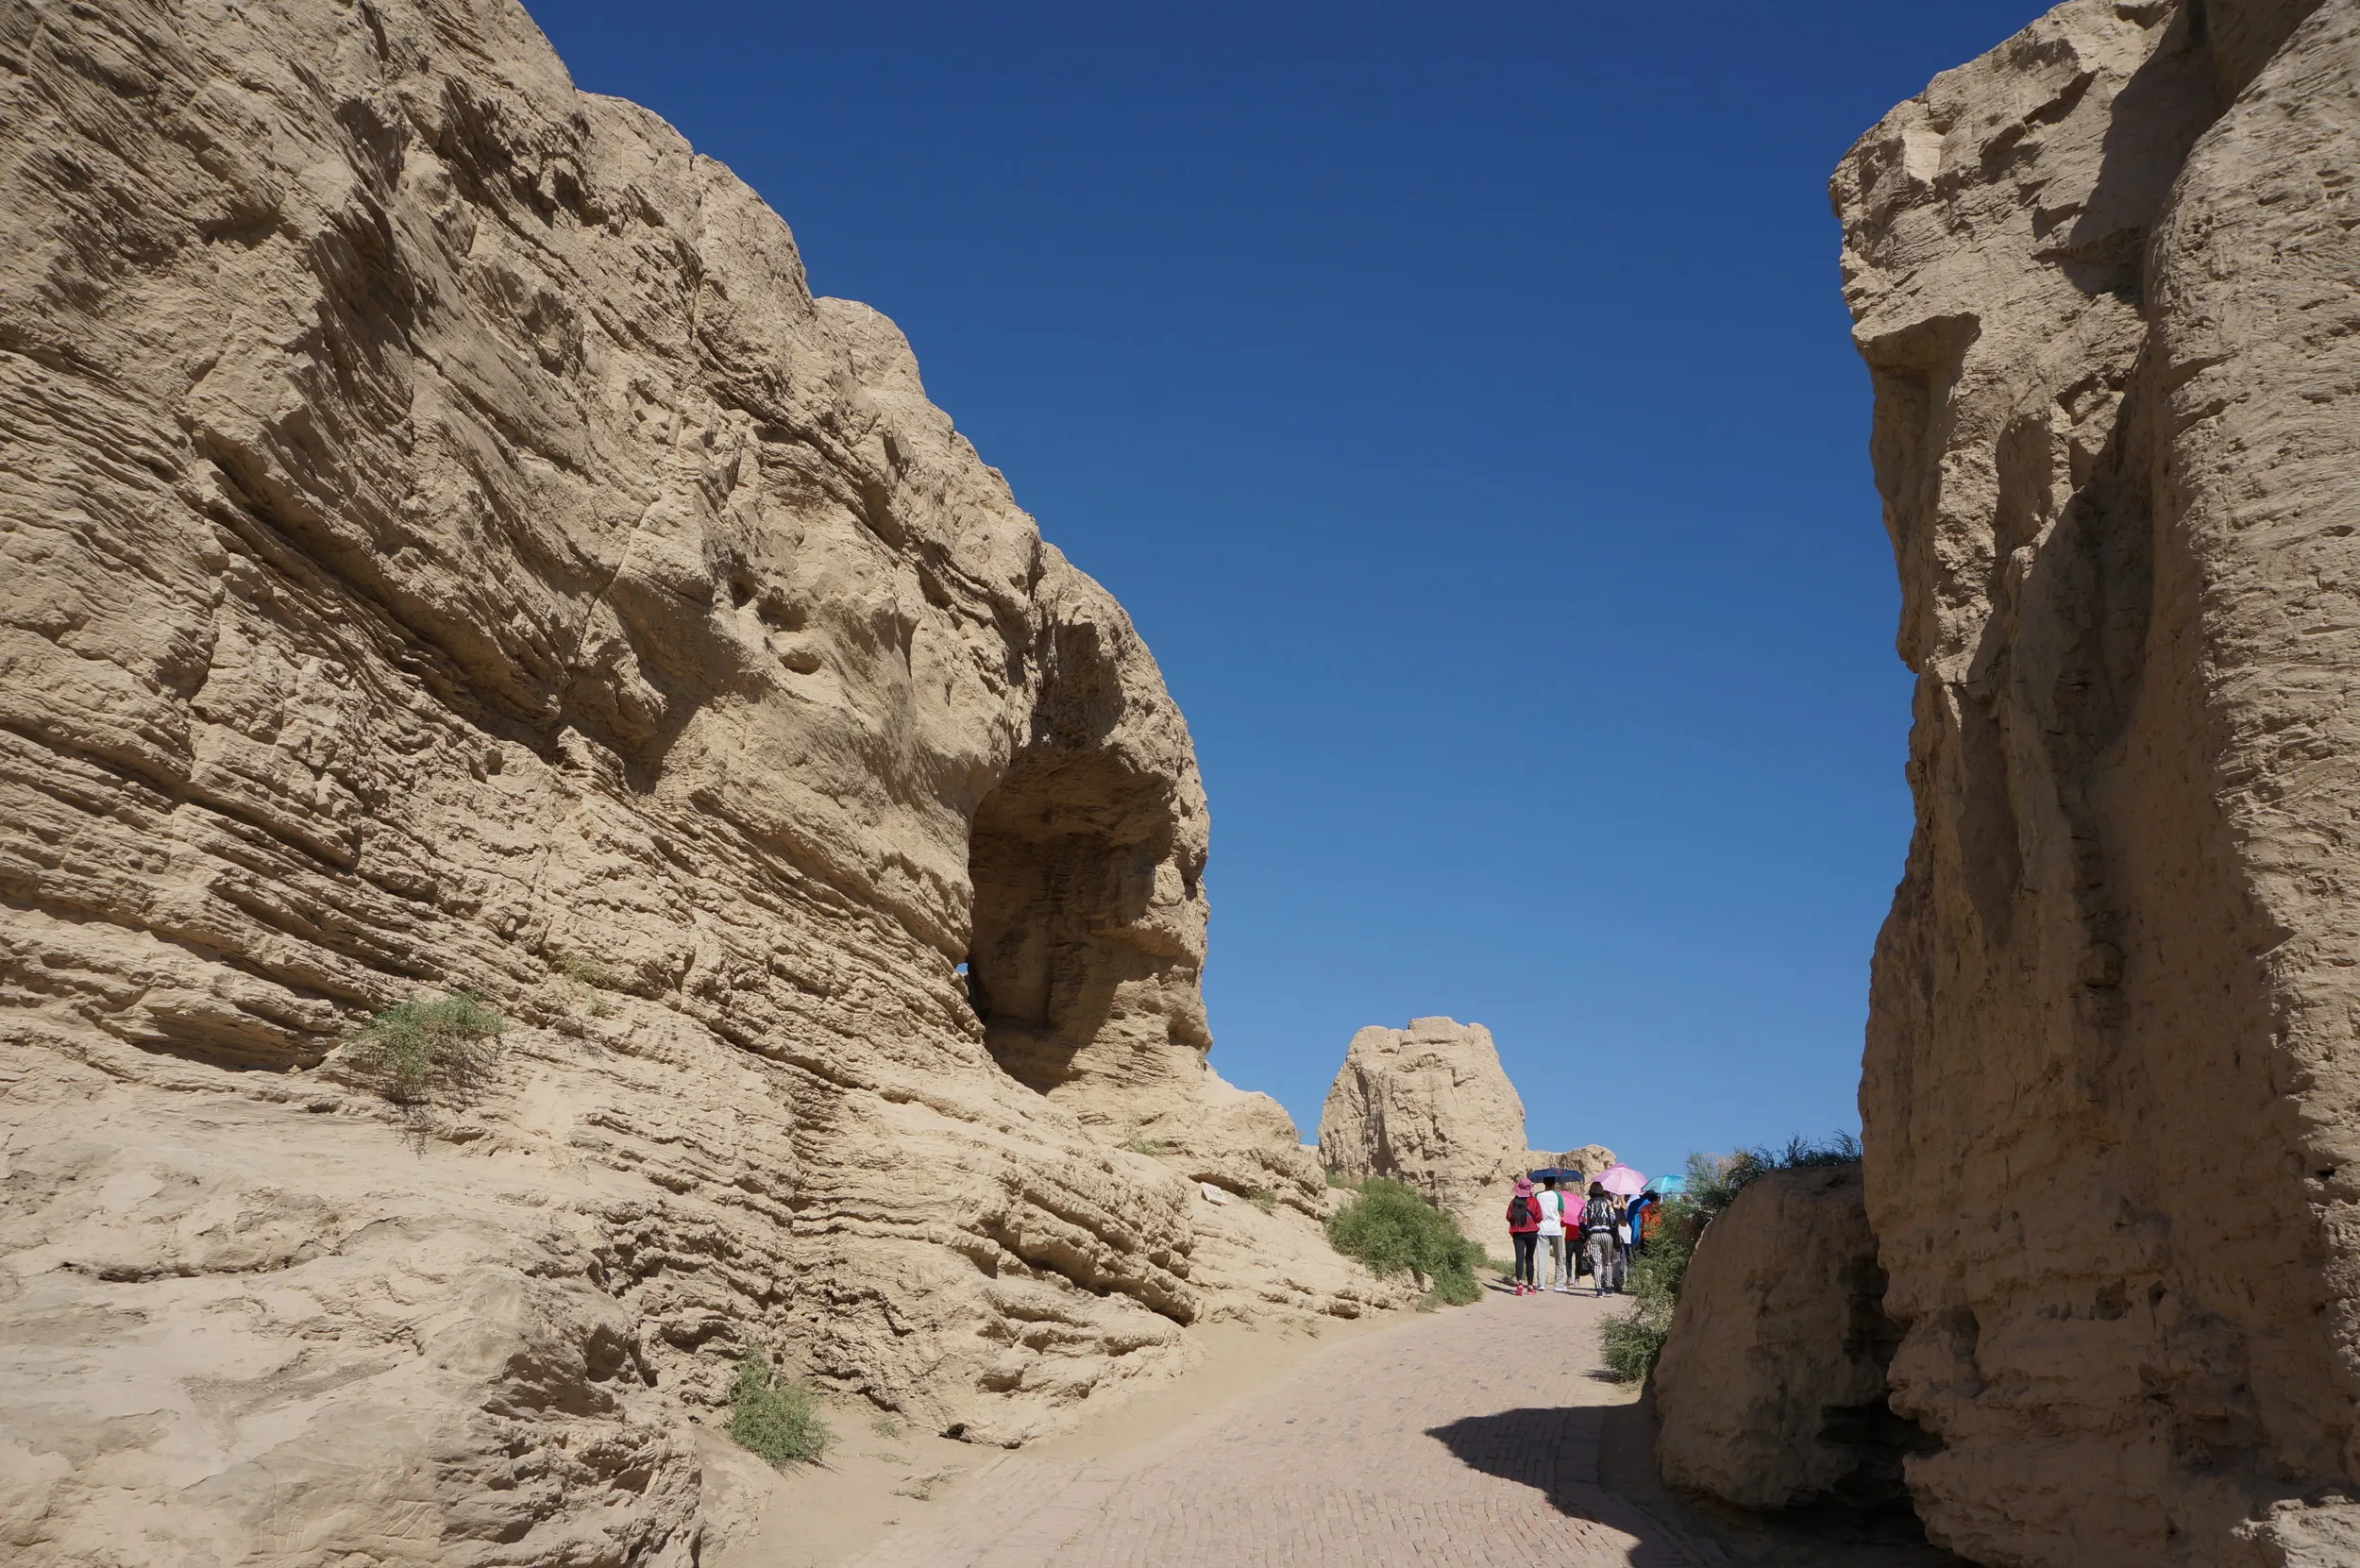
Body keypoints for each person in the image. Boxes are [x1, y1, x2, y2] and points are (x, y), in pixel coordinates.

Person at [1581, 1181, 1620, 1297]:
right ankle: (1608, 1287)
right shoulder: (1608, 1203)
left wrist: (1585, 1237)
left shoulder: (1587, 1204)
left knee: (1597, 1262)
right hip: (1607, 1234)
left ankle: (1599, 1289)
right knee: (1608, 1261)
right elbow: (1613, 1219)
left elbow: (1583, 1221)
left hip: (1594, 1234)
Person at [1506, 1176, 1542, 1295]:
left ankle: (1519, 1283)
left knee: (1519, 1258)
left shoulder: (1513, 1202)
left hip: (1518, 1233)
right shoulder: (1534, 1201)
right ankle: (1530, 1287)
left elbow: (1509, 1217)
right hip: (1532, 1232)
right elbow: (1538, 1217)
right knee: (1529, 1258)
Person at [1534, 1176, 1569, 1292]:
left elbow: (1535, 1211)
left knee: (1542, 1258)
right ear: (1554, 1183)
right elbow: (1561, 1212)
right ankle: (1558, 1284)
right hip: (1555, 1230)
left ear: (1544, 1183)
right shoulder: (1558, 1196)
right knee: (1559, 1258)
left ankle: (1541, 1283)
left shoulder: (1538, 1195)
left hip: (1542, 1230)